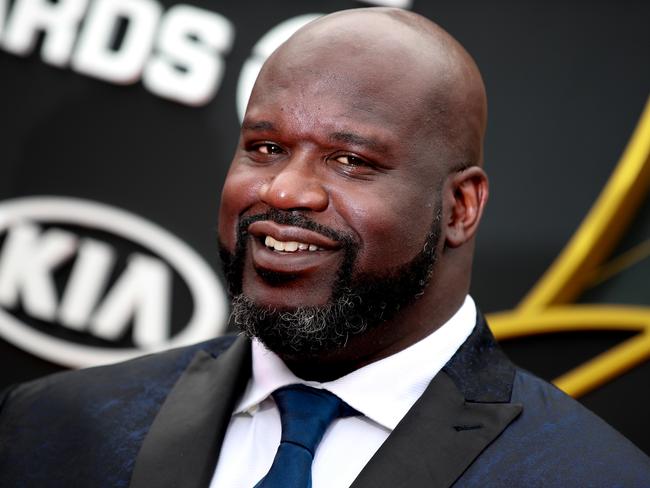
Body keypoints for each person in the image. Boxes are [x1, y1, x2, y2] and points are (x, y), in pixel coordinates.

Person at [1, 7, 649, 488]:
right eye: (265, 147)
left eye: (349, 159)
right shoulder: (54, 429)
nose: (286, 190)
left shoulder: (587, 476)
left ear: (460, 207)